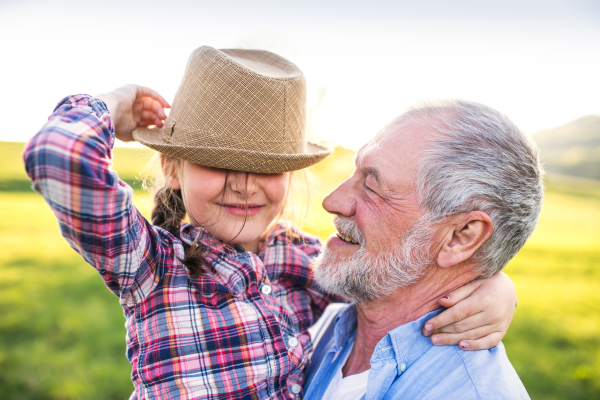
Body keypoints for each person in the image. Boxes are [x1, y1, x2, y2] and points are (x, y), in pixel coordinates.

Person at [24, 46, 518, 399]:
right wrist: (112, 104)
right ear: (173, 170)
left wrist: (491, 284)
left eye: (265, 166)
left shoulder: (304, 259)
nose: (244, 184)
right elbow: (56, 157)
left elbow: (398, 287)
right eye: (215, 162)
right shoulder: (149, 263)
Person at [303, 99, 544, 400]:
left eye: (373, 187)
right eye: (355, 173)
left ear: (460, 237)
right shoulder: (320, 325)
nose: (332, 201)